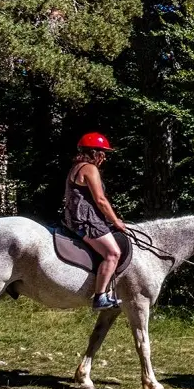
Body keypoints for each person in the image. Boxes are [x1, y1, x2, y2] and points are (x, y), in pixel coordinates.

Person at [64, 132, 127, 311]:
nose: (104, 157)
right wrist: (115, 221)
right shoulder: (90, 169)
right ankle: (100, 297)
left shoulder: (75, 167)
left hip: (73, 218)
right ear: (93, 152)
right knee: (113, 253)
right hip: (87, 221)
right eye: (102, 152)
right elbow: (100, 200)